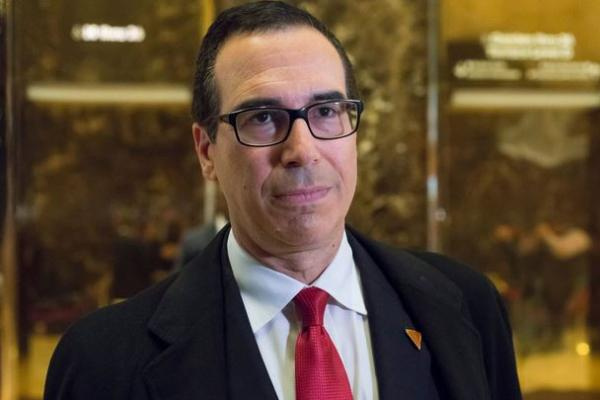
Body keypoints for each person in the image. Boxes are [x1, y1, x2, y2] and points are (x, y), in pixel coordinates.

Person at [44, 2, 522, 399]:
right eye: (263, 117)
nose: (301, 150)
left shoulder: (465, 306)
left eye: (326, 110)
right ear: (207, 152)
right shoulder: (103, 363)